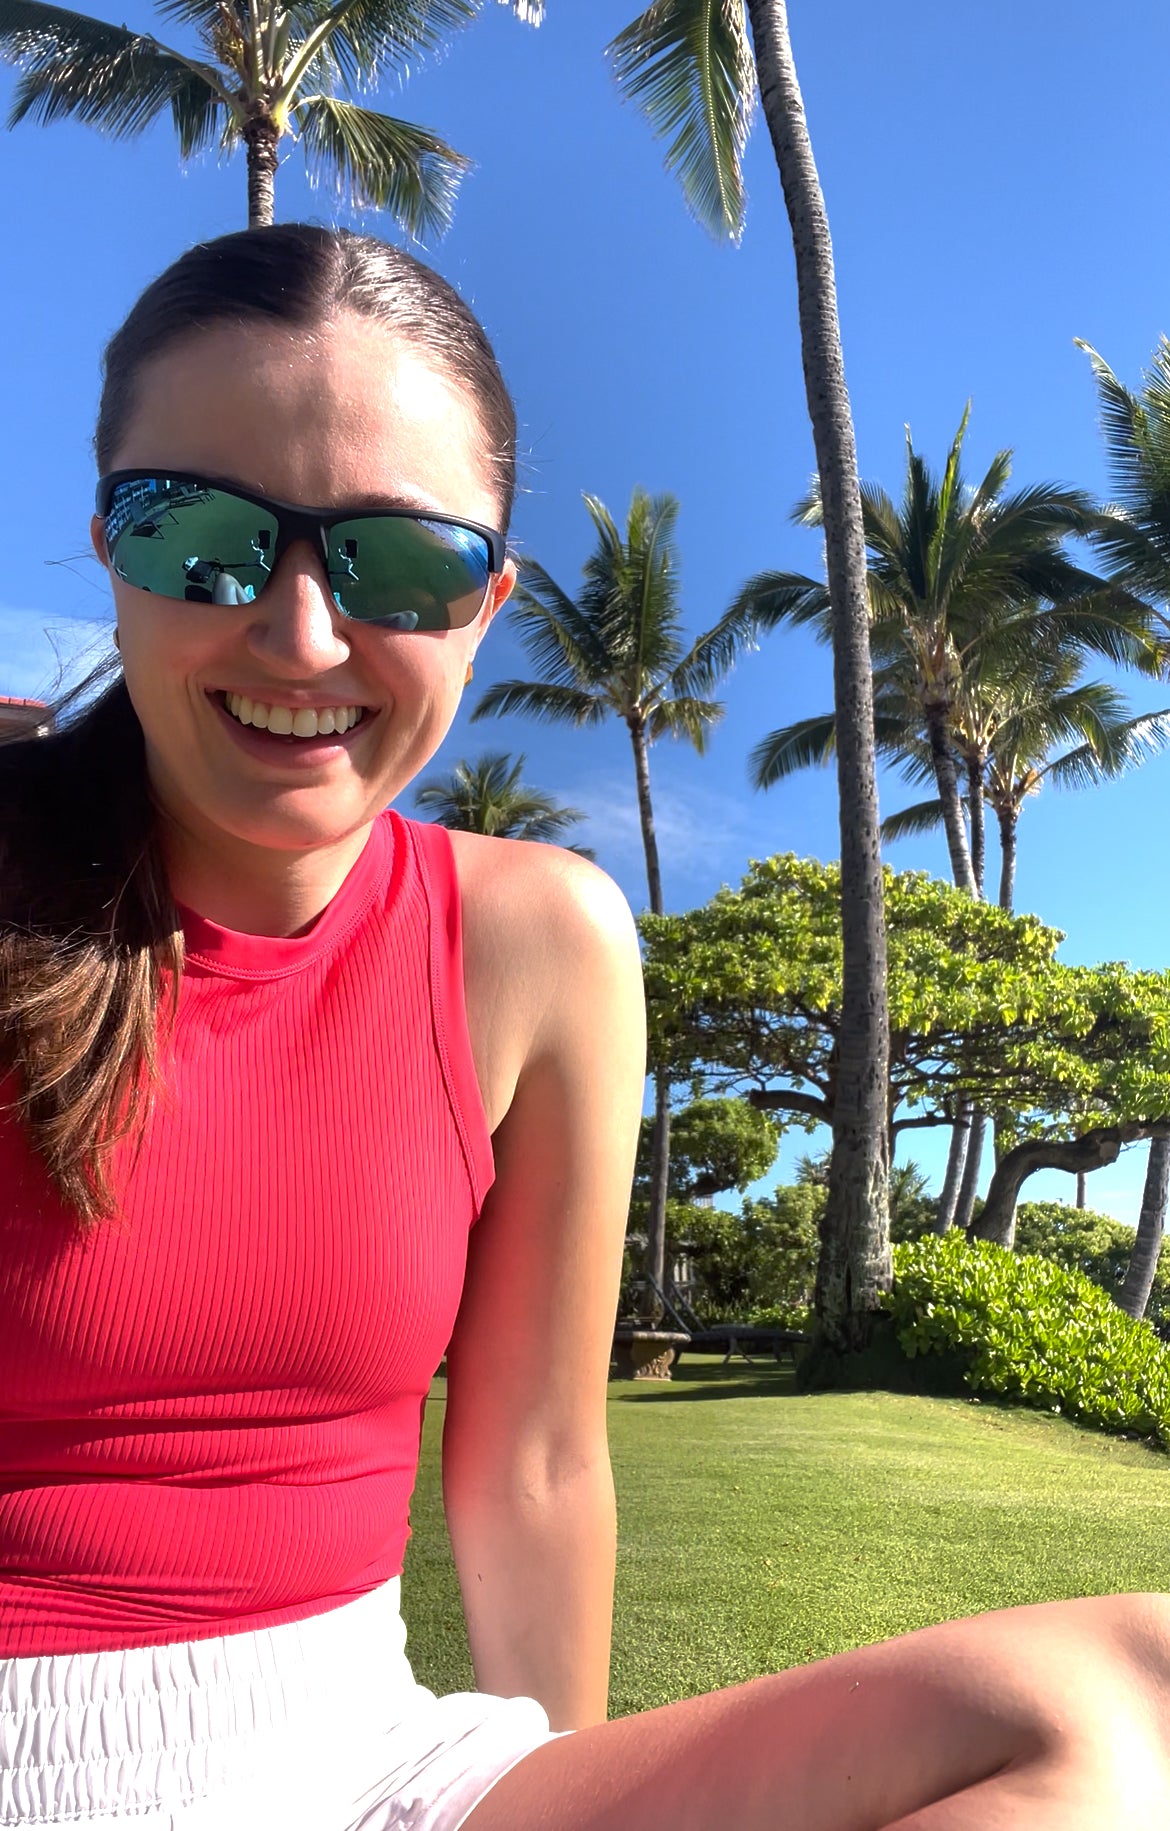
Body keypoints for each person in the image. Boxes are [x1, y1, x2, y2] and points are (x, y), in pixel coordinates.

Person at [0, 223, 1168, 1831]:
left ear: (483, 604)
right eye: (200, 534)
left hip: (363, 1748)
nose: (302, 634)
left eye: (395, 561)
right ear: (109, 547)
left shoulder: (536, 940)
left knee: (1123, 1703)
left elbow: (537, 1461)